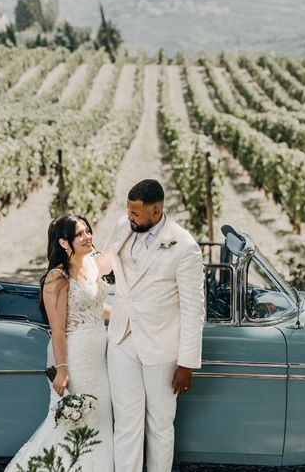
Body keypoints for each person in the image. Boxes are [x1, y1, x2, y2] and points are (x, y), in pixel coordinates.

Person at [107, 179, 205, 472]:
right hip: (122, 339)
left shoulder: (185, 246)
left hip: (161, 347)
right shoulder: (122, 228)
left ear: (156, 211)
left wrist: (187, 363)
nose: (130, 217)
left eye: (136, 213)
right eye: (128, 211)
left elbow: (193, 309)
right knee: (126, 422)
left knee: (160, 425)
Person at [5, 214, 114, 471]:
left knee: (100, 418)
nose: (88, 237)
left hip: (99, 358)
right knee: (76, 420)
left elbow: (96, 308)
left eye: (88, 230)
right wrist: (62, 370)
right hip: (75, 359)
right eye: (80, 234)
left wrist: (129, 314)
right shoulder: (58, 278)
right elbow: (58, 329)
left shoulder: (89, 263)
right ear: (65, 243)